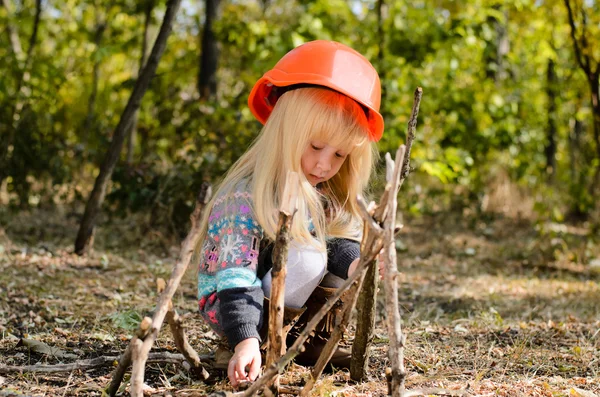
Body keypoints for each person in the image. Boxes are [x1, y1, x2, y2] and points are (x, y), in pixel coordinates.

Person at [196, 40, 384, 387]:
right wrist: (245, 338)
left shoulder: (316, 191)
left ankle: (308, 342)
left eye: (340, 155)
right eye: (314, 146)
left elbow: (334, 243)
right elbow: (235, 274)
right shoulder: (244, 195)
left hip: (280, 287)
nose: (324, 164)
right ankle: (257, 344)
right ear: (286, 130)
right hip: (230, 300)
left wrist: (359, 263)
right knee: (308, 258)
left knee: (339, 254)